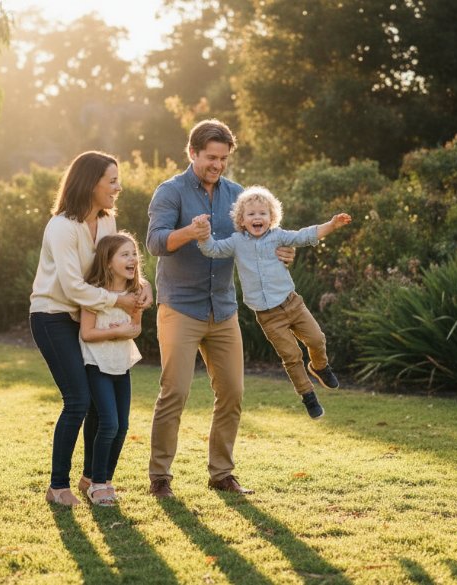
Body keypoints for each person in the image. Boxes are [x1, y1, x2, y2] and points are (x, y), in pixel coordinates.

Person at [146, 119, 294, 498]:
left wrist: (281, 252)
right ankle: (160, 476)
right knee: (174, 392)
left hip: (223, 309)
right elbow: (155, 242)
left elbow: (257, 238)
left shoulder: (238, 196)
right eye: (211, 157)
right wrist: (190, 234)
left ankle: (221, 473)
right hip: (181, 306)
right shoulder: (171, 192)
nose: (218, 164)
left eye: (224, 158)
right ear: (192, 152)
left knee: (232, 393)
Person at [30, 151, 149, 507]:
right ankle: (57, 485)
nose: (119, 187)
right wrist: (119, 303)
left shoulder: (108, 222)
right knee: (78, 400)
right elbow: (71, 288)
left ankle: (92, 479)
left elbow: (110, 269)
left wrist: (139, 288)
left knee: (100, 406)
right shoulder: (61, 227)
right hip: (53, 316)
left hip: (90, 314)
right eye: (112, 181)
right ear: (90, 182)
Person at [193, 186, 351, 419]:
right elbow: (212, 250)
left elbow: (305, 236)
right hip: (268, 315)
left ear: (271, 217)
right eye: (251, 214)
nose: (257, 217)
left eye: (262, 213)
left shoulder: (278, 236)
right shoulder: (236, 242)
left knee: (317, 339)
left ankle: (319, 367)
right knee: (291, 356)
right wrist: (203, 234)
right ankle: (308, 396)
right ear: (242, 220)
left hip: (292, 304)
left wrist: (331, 225)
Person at [78, 232, 145, 506]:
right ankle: (96, 484)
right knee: (109, 423)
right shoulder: (95, 294)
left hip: (122, 364)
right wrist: (114, 333)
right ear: (108, 262)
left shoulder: (136, 292)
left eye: (134, 254)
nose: (132, 259)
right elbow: (86, 333)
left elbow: (136, 327)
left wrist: (128, 331)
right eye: (125, 254)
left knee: (122, 426)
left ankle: (105, 480)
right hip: (97, 364)